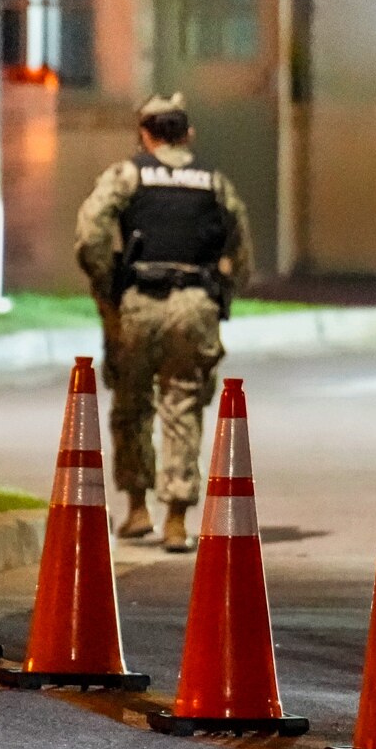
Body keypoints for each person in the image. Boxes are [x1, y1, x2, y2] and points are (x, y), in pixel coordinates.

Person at [74, 93, 255, 552]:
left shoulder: (128, 174)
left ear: (145, 134)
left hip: (139, 302)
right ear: (188, 134)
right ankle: (176, 518)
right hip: (194, 302)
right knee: (183, 404)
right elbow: (242, 247)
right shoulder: (214, 182)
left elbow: (90, 232)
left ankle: (137, 510)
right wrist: (224, 293)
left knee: (132, 404)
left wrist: (106, 286)